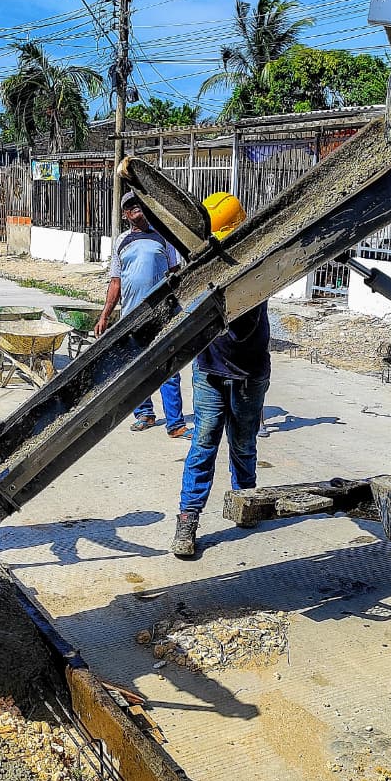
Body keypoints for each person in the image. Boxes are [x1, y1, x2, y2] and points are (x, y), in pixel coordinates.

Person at [170, 193, 267, 559]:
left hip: (247, 373)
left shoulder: (257, 266)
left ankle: (246, 501)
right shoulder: (201, 262)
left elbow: (243, 330)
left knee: (243, 446)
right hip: (209, 371)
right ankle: (188, 519)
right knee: (203, 446)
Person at [95, 191, 189, 438]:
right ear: (126, 214)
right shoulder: (121, 242)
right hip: (131, 316)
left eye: (139, 204)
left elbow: (176, 275)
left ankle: (175, 423)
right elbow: (115, 282)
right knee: (136, 369)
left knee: (168, 367)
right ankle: (144, 414)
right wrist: (105, 315)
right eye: (130, 207)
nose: (135, 208)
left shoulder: (164, 238)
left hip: (161, 314)